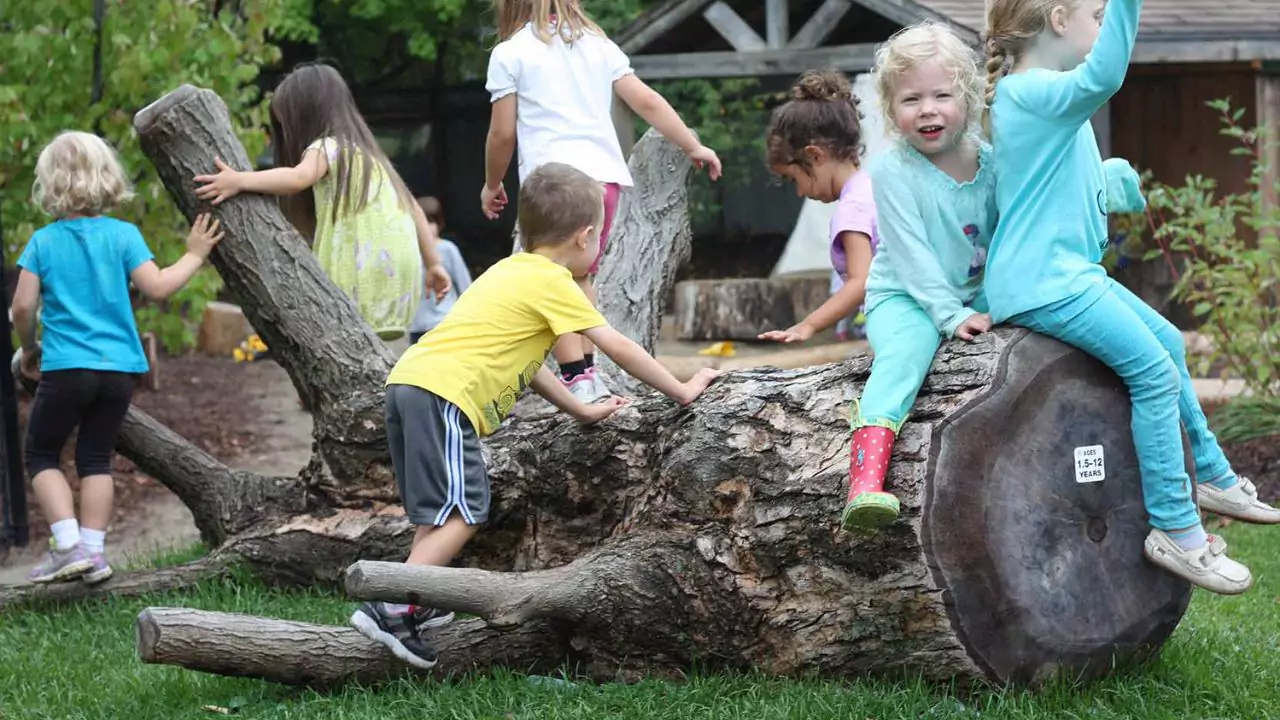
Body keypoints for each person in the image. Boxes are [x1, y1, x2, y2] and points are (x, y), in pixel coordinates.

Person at [349, 162, 722, 669]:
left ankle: (416, 599)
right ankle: (392, 606)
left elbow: (528, 366)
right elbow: (615, 344)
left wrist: (580, 409)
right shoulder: (554, 281)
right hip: (443, 395)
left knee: (438, 512)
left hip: (409, 383)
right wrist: (682, 390)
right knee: (465, 511)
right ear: (585, 236)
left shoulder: (507, 271)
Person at [984, 0, 1278, 595]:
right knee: (1153, 373)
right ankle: (1177, 529)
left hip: (1067, 273)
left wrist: (1107, 176)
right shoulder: (1032, 91)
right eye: (1097, 14)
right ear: (1058, 20)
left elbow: (1046, 175)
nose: (1102, 25)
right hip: (1045, 280)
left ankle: (1212, 474)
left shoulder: (1036, 96)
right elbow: (1105, 77)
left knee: (1168, 342)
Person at [481, 0, 722, 404]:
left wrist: (492, 184)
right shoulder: (598, 44)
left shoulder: (510, 53)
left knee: (549, 279)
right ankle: (589, 371)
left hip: (551, 183)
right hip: (603, 182)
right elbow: (646, 101)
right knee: (581, 278)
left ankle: (576, 376)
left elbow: (502, 133)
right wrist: (692, 145)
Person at [12, 131, 224, 584]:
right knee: (95, 457)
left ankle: (68, 545)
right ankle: (94, 552)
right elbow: (159, 286)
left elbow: (23, 307)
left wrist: (29, 348)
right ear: (106, 177)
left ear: (49, 184)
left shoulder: (43, 242)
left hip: (67, 367)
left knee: (42, 453)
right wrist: (195, 255)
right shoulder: (123, 235)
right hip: (119, 371)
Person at [830, 23, 998, 531]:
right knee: (908, 351)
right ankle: (865, 480)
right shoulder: (892, 172)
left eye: (942, 95)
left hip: (975, 294)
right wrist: (949, 315)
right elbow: (911, 255)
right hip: (903, 295)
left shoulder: (992, 162)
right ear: (890, 108)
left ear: (967, 97)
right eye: (911, 99)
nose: (927, 109)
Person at [194, 62, 450, 341]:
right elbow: (414, 209)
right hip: (398, 284)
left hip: (358, 274)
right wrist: (434, 264)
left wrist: (240, 180)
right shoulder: (373, 158)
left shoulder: (328, 147)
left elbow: (297, 178)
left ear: (305, 116)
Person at [758, 70, 877, 348]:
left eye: (794, 179)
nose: (800, 192)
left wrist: (809, 324)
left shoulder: (853, 209)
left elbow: (861, 281)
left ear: (815, 155)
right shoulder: (873, 187)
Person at [408, 196, 473, 345]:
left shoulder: (448, 249)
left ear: (440, 224)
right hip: (418, 326)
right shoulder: (409, 251)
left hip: (444, 322)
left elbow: (465, 285)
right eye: (421, 223)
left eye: (430, 222)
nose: (426, 228)